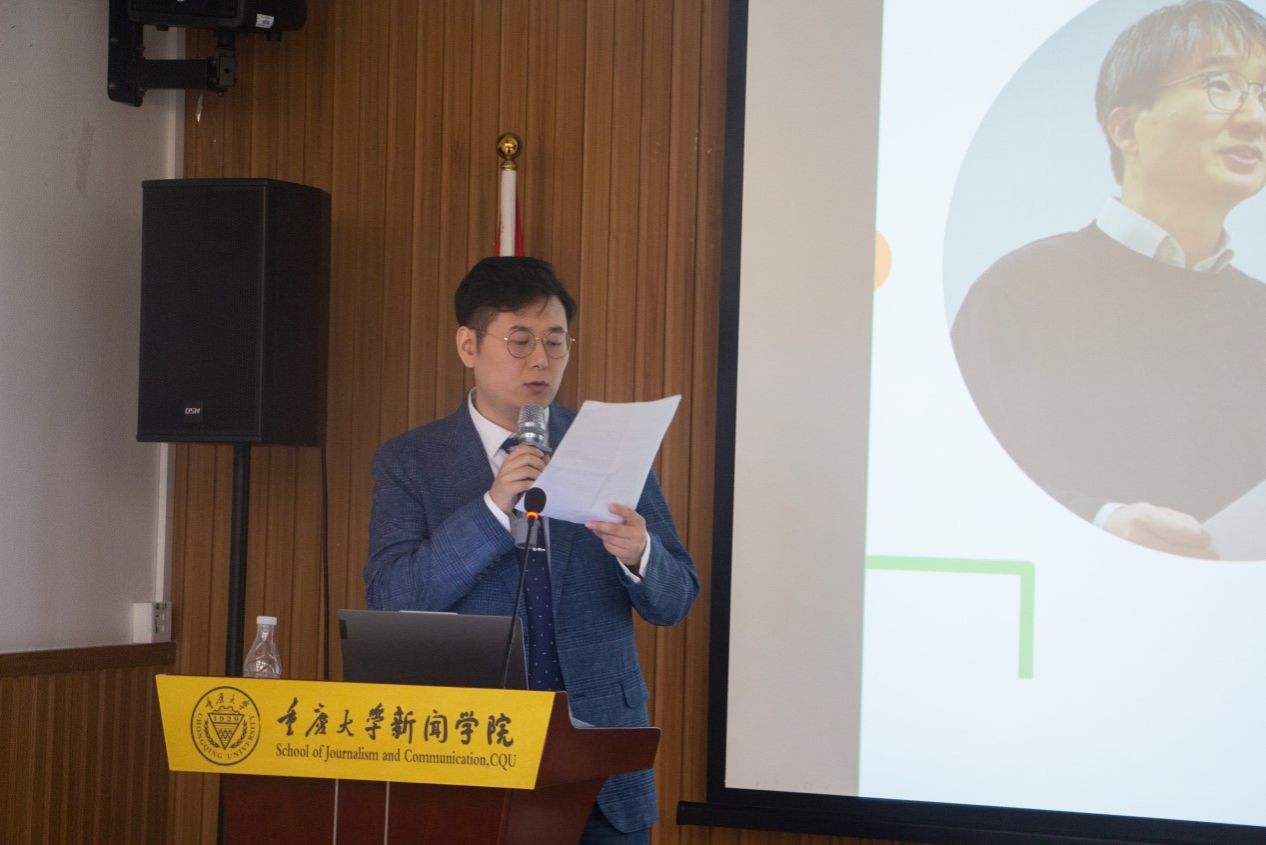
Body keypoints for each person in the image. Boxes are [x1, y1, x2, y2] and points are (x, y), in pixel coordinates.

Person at [364, 256, 699, 843]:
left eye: (555, 341)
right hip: (470, 759)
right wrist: (493, 509)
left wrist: (639, 553)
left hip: (601, 767)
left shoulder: (608, 445)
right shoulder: (411, 461)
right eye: (520, 341)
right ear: (468, 345)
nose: (541, 360)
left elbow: (675, 601)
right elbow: (392, 597)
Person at [952, 0, 1266, 559]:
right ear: (1126, 129)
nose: (1254, 118)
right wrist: (1101, 521)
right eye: (1221, 85)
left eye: (1264, 95)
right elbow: (956, 480)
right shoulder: (1018, 292)